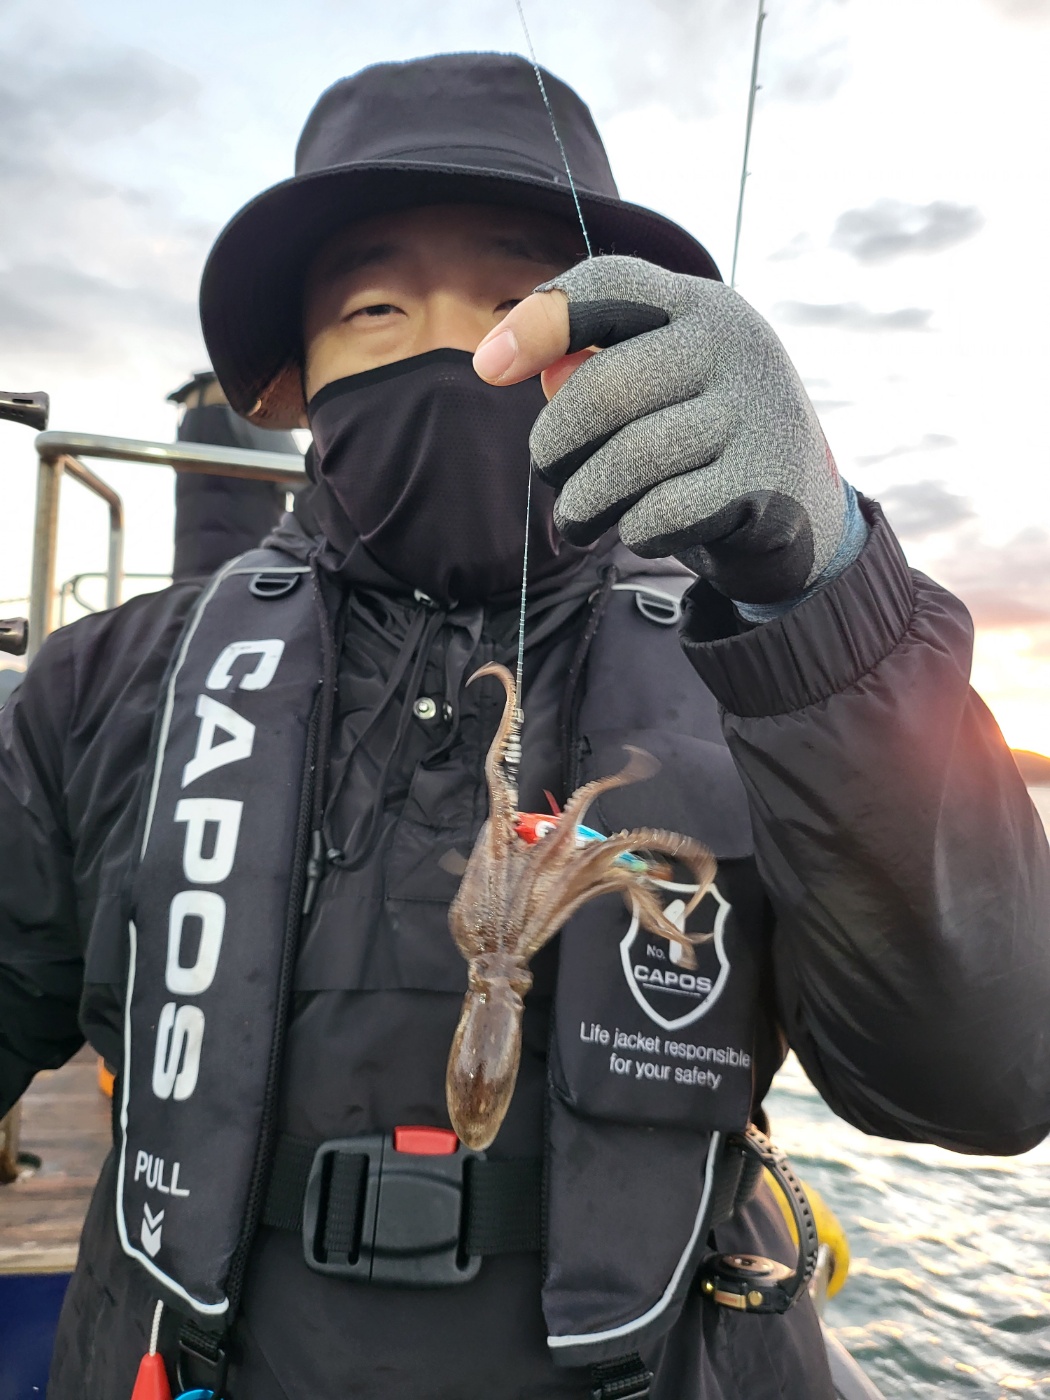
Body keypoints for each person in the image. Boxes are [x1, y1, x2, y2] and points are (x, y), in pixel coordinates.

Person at [0, 52, 1047, 1400]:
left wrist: (828, 599)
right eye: (376, 306)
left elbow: (985, 1081)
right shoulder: (107, 685)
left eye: (515, 306)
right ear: (293, 378)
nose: (455, 347)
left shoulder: (761, 674)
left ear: (611, 351)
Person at [167, 369, 301, 582]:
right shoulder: (248, 402)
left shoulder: (191, 410)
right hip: (248, 570)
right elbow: (299, 478)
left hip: (190, 570)